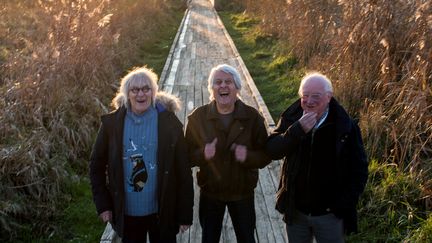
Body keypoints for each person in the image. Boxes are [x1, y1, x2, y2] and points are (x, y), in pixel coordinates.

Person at [89, 67, 194, 243]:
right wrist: (103, 205)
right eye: (135, 90)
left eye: (146, 89)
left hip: (162, 211)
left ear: (153, 92)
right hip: (127, 213)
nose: (141, 94)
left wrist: (185, 214)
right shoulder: (112, 124)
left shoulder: (169, 123)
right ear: (127, 94)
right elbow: (96, 166)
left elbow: (183, 170)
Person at [266, 72, 368, 242]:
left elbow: (360, 170)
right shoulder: (292, 118)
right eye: (305, 95)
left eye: (316, 96)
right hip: (296, 212)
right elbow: (272, 150)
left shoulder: (345, 126)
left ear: (329, 97)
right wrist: (296, 131)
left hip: (329, 215)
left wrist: (342, 204)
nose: (309, 101)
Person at [185, 64, 271, 243]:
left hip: (242, 193)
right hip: (210, 193)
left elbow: (265, 155)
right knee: (209, 238)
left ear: (237, 88)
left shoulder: (253, 117)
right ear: (211, 89)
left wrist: (247, 156)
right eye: (217, 82)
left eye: (228, 82)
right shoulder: (198, 118)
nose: (223, 86)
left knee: (246, 238)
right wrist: (203, 154)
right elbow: (186, 157)